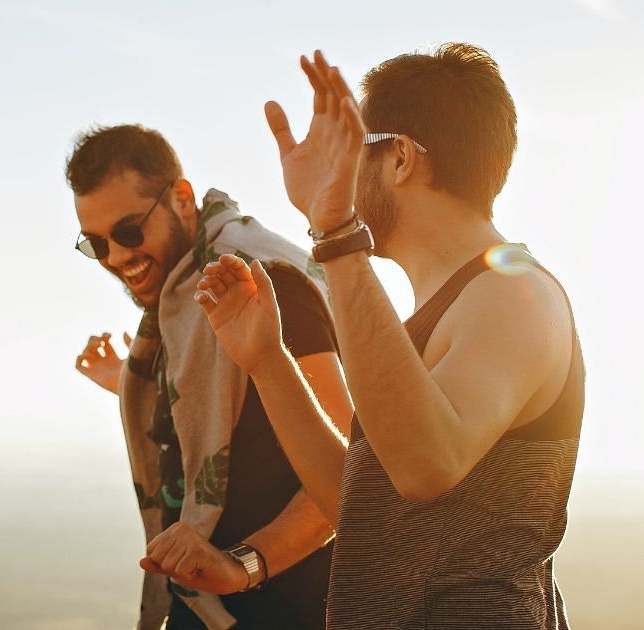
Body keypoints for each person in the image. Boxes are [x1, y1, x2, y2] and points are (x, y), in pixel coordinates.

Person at [152, 45, 584, 629]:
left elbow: (425, 466)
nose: (338, 172)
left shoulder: (512, 294)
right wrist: (267, 361)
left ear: (401, 158)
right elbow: (363, 508)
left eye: (350, 151)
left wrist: (333, 232)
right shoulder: (445, 308)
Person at [68, 124, 353, 629]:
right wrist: (131, 382)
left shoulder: (264, 283)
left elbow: (350, 471)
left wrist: (245, 565)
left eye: (130, 231)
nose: (115, 257)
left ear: (180, 199)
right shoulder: (180, 307)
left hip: (284, 607)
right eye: (96, 243)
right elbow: (225, 407)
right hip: (204, 607)